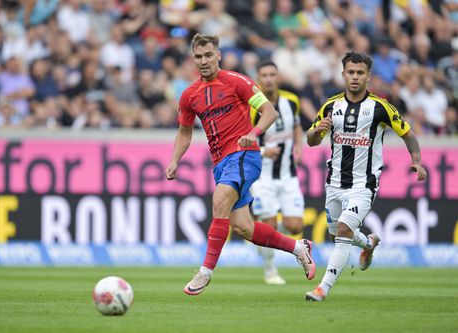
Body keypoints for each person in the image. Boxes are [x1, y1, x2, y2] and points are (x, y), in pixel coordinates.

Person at [165, 33, 315, 296]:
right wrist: (175, 159)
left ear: (218, 55)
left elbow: (270, 111)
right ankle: (298, 248)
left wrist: (253, 134)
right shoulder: (189, 95)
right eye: (198, 56)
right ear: (193, 58)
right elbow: (184, 132)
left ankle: (205, 272)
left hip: (245, 155)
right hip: (222, 163)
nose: (204, 61)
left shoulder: (238, 82)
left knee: (220, 199)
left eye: (208, 55)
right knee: (244, 228)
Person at [305, 51, 427, 301]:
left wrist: (416, 161)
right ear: (343, 74)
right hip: (334, 182)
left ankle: (322, 289)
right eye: (350, 72)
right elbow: (311, 141)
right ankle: (369, 244)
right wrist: (317, 130)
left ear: (368, 76)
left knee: (342, 231)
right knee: (336, 234)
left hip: (364, 184)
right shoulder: (330, 106)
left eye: (360, 73)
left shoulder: (381, 107)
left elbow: (408, 134)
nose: (355, 77)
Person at [250, 60, 305, 285]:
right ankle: (270, 271)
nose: (269, 79)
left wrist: (299, 146)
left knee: (295, 226)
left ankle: (259, 235)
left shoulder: (291, 101)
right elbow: (243, 141)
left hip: (287, 174)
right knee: (270, 226)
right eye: (264, 75)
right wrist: (263, 151)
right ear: (258, 79)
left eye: (273, 74)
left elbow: (296, 126)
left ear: (278, 77)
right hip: (263, 177)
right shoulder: (252, 107)